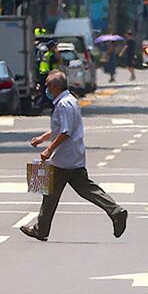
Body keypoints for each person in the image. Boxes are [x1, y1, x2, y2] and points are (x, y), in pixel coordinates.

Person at [20, 70, 126, 241]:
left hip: (63, 158)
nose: (46, 89)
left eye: (47, 85)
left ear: (55, 87)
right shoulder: (70, 101)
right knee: (87, 189)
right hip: (74, 157)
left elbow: (65, 131)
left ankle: (41, 229)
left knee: (49, 194)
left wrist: (49, 150)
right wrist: (42, 138)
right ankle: (115, 211)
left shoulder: (63, 104)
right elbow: (60, 128)